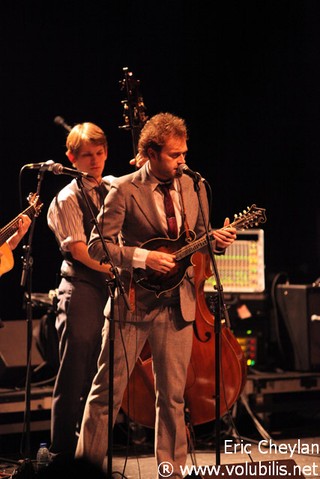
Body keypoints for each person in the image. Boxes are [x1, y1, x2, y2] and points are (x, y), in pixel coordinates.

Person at [76, 112, 237, 478]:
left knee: (173, 398)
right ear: (150, 152)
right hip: (132, 302)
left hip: (178, 304)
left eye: (184, 154)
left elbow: (197, 238)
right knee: (106, 395)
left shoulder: (195, 187)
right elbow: (97, 246)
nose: (183, 162)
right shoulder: (123, 188)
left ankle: (172, 472)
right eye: (175, 155)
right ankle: (83, 470)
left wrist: (217, 241)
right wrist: (143, 256)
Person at [47, 122, 114, 461]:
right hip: (83, 286)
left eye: (100, 153)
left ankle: (95, 449)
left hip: (112, 287)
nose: (95, 160)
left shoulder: (115, 188)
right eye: (86, 155)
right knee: (75, 372)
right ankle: (60, 453)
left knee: (106, 372)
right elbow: (79, 252)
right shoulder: (67, 198)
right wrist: (118, 269)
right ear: (71, 157)